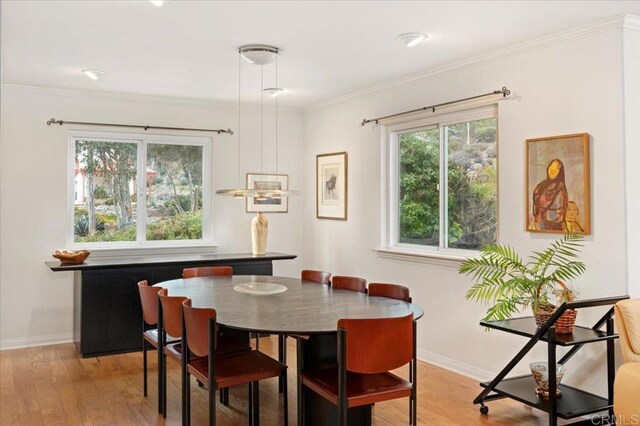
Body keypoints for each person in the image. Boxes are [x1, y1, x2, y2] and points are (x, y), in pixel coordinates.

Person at [532, 159, 568, 231]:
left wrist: (543, 215)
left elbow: (558, 211)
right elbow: (535, 205)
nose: (552, 169)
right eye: (551, 166)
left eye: (556, 168)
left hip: (553, 226)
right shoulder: (541, 186)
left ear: (560, 172)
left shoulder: (560, 188)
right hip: (539, 224)